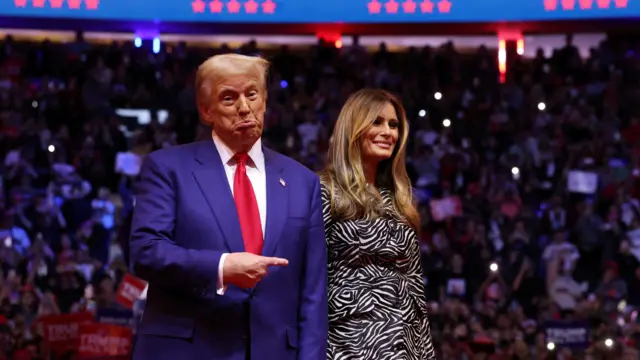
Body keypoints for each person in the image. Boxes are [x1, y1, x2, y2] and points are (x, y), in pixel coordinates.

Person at [129, 54, 328, 360]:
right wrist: (221, 267)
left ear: (264, 101)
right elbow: (146, 251)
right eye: (228, 98)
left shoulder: (303, 181)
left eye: (252, 94)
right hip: (187, 350)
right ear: (206, 110)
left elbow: (313, 293)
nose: (244, 107)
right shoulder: (167, 167)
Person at [320, 89, 436, 360]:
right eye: (377, 122)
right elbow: (310, 279)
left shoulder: (400, 199)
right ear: (354, 127)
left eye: (393, 125)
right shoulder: (324, 191)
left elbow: (415, 286)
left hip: (405, 345)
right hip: (348, 345)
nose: (388, 132)